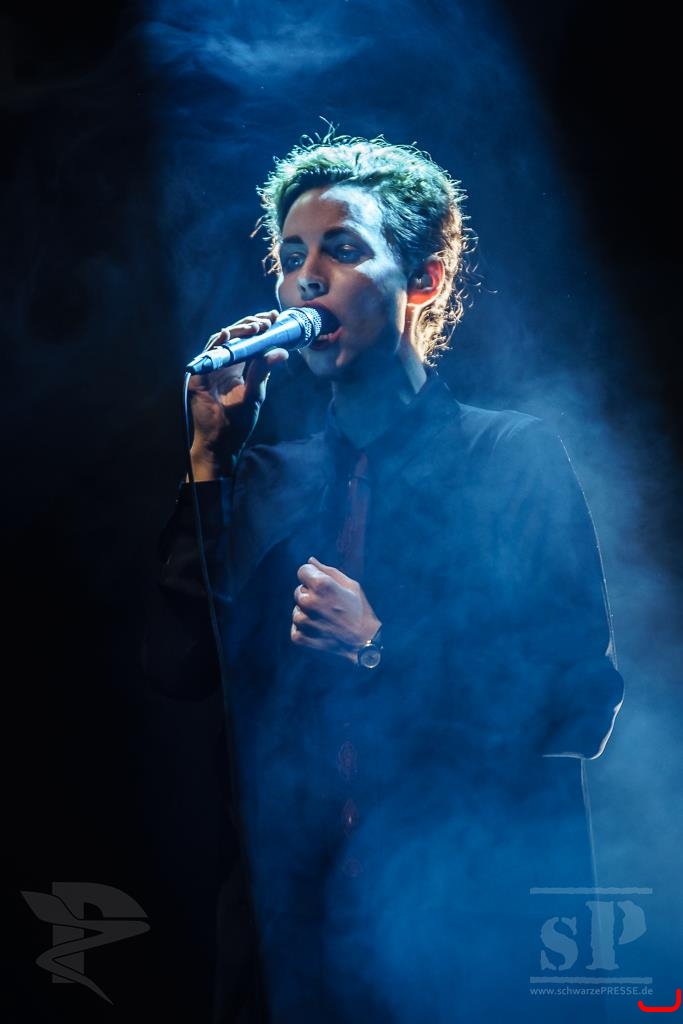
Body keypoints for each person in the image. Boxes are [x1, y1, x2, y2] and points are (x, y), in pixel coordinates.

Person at [145, 133, 624, 1023]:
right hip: (296, 946)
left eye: (341, 249)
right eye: (291, 257)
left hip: (471, 939)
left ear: (424, 280)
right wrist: (208, 461)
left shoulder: (508, 458)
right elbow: (180, 669)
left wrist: (379, 648)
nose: (306, 279)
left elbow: (577, 705)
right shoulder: (265, 479)